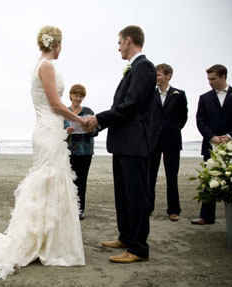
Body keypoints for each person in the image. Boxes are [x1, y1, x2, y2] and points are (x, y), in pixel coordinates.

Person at [0, 25, 86, 279]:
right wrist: (80, 120)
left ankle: (48, 240)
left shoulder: (40, 65)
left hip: (48, 129)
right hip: (48, 129)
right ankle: (46, 243)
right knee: (49, 179)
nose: (61, 49)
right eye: (61, 45)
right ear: (56, 44)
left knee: (51, 180)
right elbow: (55, 104)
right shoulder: (46, 66)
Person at [85, 25, 156, 263]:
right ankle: (126, 236)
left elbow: (131, 105)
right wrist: (100, 123)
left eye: (119, 43)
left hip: (135, 144)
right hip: (123, 143)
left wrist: (99, 119)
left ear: (128, 40)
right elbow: (123, 106)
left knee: (136, 196)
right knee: (123, 195)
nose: (118, 48)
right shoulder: (133, 69)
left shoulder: (144, 67)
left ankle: (138, 248)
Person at [191, 64, 232, 225]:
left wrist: (230, 136)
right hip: (211, 144)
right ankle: (206, 216)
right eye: (208, 79)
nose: (210, 82)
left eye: (213, 79)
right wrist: (212, 137)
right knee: (209, 179)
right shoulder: (205, 98)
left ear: (223, 77)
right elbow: (200, 120)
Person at [149, 64, 188, 221]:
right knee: (149, 175)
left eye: (158, 75)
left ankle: (174, 210)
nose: (156, 78)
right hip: (153, 141)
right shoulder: (150, 94)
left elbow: (183, 117)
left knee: (172, 176)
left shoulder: (179, 94)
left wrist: (171, 130)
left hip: (172, 141)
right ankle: (147, 207)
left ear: (168, 75)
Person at [64, 84, 98, 220]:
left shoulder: (88, 111)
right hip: (68, 151)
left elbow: (96, 129)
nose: (78, 98)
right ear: (71, 95)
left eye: (81, 96)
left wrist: (89, 128)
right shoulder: (65, 111)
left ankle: (80, 210)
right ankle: (68, 209)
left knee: (82, 181)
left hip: (85, 151)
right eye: (76, 95)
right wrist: (66, 131)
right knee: (69, 181)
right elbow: (57, 130)